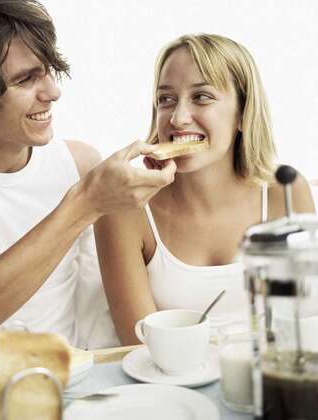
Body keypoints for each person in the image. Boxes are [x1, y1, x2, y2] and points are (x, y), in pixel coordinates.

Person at [0, 0, 177, 373]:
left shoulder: (78, 162)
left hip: (64, 383)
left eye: (48, 72)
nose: (52, 92)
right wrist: (85, 203)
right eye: (25, 80)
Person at [95, 33, 315, 345]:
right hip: (169, 374)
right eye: (166, 99)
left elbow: (304, 321)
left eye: (201, 97)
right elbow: (139, 346)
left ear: (243, 113)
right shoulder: (125, 208)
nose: (178, 118)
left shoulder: (286, 192)